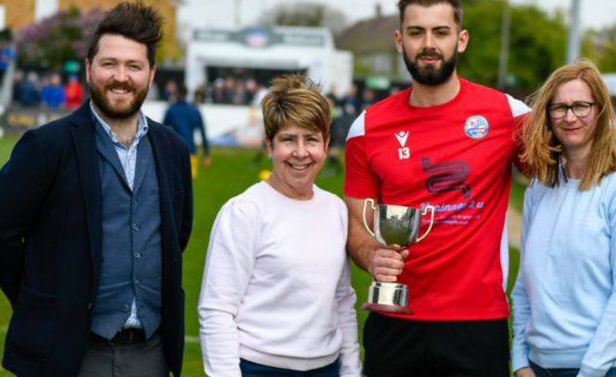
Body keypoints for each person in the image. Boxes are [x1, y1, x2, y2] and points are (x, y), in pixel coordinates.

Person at [0, 3, 192, 377]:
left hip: (150, 353)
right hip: (69, 354)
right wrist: (41, 302)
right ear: (90, 67)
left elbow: (178, 235)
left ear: (151, 74)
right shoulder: (46, 146)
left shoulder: (172, 149)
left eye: (133, 66)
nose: (120, 77)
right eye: (109, 64)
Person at [344, 0, 531, 375]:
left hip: (477, 324)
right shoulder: (367, 128)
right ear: (400, 40)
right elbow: (356, 224)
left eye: (440, 32)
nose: (428, 43)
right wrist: (370, 255)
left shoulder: (508, 115)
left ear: (461, 40)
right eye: (416, 32)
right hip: (394, 319)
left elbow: (567, 173)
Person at [198, 75, 361, 377]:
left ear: (326, 144)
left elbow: (342, 300)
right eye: (288, 139)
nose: (301, 153)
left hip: (326, 369)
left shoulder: (336, 210)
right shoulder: (244, 212)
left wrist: (351, 370)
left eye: (311, 139)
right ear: (269, 145)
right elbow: (217, 310)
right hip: (259, 369)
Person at [511, 60, 616, 377]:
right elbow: (525, 285)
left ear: (600, 111)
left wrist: (590, 371)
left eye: (580, 106)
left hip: (603, 368)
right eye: (559, 107)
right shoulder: (539, 187)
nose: (569, 116)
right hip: (537, 365)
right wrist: (520, 359)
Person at [163, 83, 211, 179]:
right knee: (189, 184)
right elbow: (203, 133)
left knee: (175, 185)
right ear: (186, 94)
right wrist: (206, 155)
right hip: (191, 151)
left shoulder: (171, 111)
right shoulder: (194, 111)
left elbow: (163, 132)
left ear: (177, 94)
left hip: (175, 152)